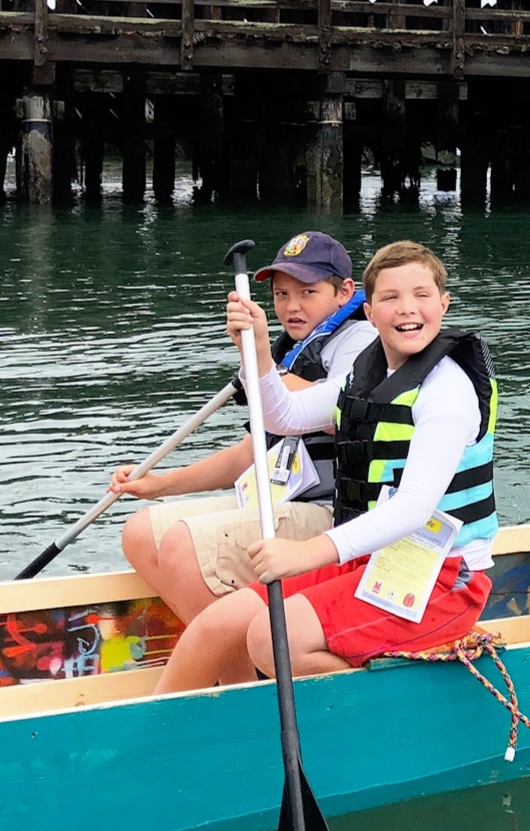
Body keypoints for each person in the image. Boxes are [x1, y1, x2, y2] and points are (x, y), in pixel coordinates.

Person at [155, 239, 497, 692]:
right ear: (370, 313)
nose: (407, 309)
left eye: (421, 295)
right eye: (390, 298)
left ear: (444, 304)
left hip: (444, 579)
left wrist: (305, 553)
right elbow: (284, 416)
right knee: (220, 622)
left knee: (270, 637)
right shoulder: (367, 373)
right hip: (376, 558)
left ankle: (384, 705)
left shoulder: (448, 390)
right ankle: (158, 739)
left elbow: (414, 507)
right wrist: (258, 349)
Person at [112, 231, 376, 623]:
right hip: (283, 499)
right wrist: (158, 484)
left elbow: (335, 412)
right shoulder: (292, 348)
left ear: (344, 292)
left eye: (307, 293)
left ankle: (230, 664)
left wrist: (261, 362)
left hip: (332, 512)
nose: (292, 307)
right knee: (140, 533)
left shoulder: (361, 341)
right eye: (281, 295)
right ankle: (225, 650)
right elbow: (248, 454)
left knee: (183, 545)